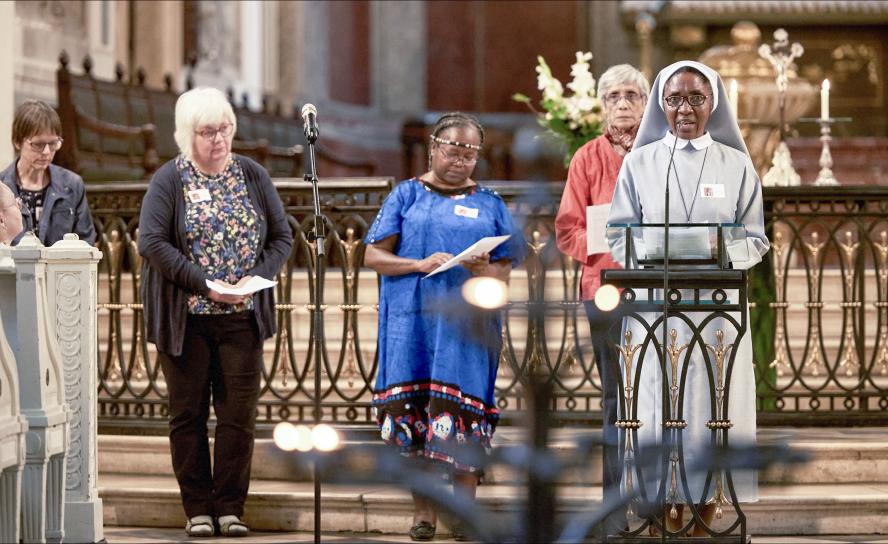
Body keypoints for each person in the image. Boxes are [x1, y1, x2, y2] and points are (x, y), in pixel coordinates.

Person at [607, 60, 769, 536]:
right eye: (674, 99)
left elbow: (756, 240)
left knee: (709, 410)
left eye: (696, 98)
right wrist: (648, 251)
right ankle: (661, 514)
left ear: (713, 104)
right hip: (655, 311)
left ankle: (706, 517)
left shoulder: (735, 164)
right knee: (658, 410)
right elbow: (618, 235)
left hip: (717, 312)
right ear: (661, 104)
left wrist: (723, 250)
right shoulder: (640, 162)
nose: (685, 109)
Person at [138, 87, 293, 538]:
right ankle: (198, 509)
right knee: (187, 414)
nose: (219, 139)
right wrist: (203, 282)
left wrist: (252, 280)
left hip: (242, 317)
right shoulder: (170, 179)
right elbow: (152, 242)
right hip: (186, 318)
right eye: (208, 131)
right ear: (188, 135)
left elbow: (282, 238)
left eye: (224, 128)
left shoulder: (252, 175)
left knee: (237, 416)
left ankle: (230, 508)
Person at [363, 112, 525, 542]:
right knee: (415, 416)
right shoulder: (406, 195)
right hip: (410, 325)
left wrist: (480, 266)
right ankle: (424, 515)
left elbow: (502, 274)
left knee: (463, 413)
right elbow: (373, 256)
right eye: (453, 151)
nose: (461, 161)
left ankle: (464, 513)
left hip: (467, 328)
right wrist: (417, 263)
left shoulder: (490, 203)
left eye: (470, 154)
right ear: (434, 147)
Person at [554, 63, 650, 536]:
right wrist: (607, 243)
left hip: (658, 291)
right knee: (615, 401)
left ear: (647, 102)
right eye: (613, 96)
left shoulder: (662, 153)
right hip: (606, 290)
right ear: (602, 105)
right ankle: (613, 507)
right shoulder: (587, 158)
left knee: (657, 398)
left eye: (632, 94)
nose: (623, 104)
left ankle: (655, 500)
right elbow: (566, 230)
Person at [0, 99, 96, 246]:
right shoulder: (2, 187)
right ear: (17, 142)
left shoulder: (72, 185)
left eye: (52, 143)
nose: (46, 152)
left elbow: (86, 243)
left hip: (63, 269)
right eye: (38, 144)